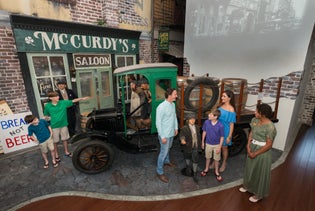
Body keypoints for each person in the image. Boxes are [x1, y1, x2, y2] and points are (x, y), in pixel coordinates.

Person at [239, 103, 277, 203]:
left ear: (262, 114)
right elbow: (251, 132)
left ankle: (258, 194)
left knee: (259, 172)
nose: (254, 112)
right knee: (250, 169)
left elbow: (269, 145)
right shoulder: (254, 120)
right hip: (252, 147)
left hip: (263, 152)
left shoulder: (270, 127)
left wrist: (255, 153)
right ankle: (248, 186)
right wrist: (248, 145)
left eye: (256, 111)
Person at [44, 91, 89, 162]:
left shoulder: (63, 102)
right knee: (55, 141)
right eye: (56, 96)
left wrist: (82, 98)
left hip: (64, 124)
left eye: (58, 96)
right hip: (54, 126)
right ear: (51, 98)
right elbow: (46, 115)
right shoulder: (47, 106)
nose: (58, 97)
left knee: (65, 139)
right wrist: (46, 119)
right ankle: (56, 155)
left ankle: (66, 152)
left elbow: (73, 100)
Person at [156, 88, 178, 183]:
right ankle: (159, 172)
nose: (176, 96)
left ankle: (167, 161)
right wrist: (162, 136)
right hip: (164, 134)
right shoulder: (161, 107)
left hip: (171, 133)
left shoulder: (173, 104)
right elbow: (158, 123)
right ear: (169, 95)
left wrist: (176, 128)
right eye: (175, 94)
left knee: (169, 148)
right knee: (163, 153)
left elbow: (174, 117)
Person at [200, 109, 224, 182]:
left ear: (215, 116)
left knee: (216, 159)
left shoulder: (220, 125)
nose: (208, 115)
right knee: (207, 157)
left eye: (210, 114)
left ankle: (216, 171)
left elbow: (222, 137)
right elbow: (204, 131)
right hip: (208, 143)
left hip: (216, 145)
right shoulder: (206, 122)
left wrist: (219, 147)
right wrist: (202, 142)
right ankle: (206, 168)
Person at [179, 112, 202, 183]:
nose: (193, 120)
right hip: (188, 146)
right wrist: (182, 140)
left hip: (195, 146)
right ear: (188, 120)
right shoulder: (184, 128)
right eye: (191, 119)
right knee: (187, 156)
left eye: (194, 119)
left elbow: (199, 137)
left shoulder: (197, 127)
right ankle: (188, 166)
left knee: (195, 159)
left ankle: (194, 173)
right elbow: (182, 135)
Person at [218, 90, 236, 172]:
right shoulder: (220, 105)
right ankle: (216, 161)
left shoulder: (231, 109)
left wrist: (229, 136)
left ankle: (224, 163)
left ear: (229, 98)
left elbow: (232, 124)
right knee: (216, 147)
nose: (222, 98)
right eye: (222, 96)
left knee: (224, 148)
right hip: (217, 129)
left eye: (224, 96)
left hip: (225, 130)